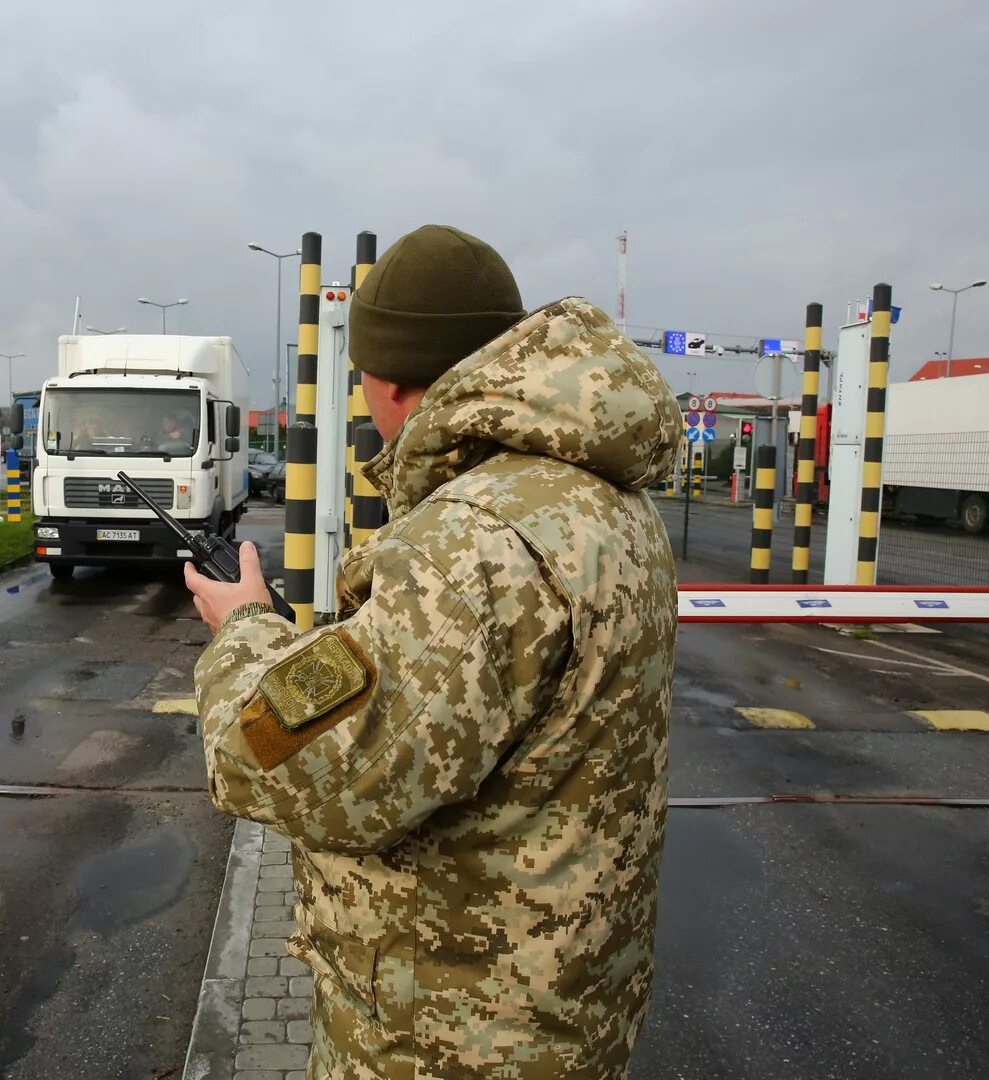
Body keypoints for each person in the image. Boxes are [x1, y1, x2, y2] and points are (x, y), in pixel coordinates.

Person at [184, 224, 682, 1078]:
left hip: (454, 1039)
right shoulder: (605, 503)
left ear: (387, 380)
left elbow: (284, 758)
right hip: (567, 1012)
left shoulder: (473, 538)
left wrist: (243, 629)